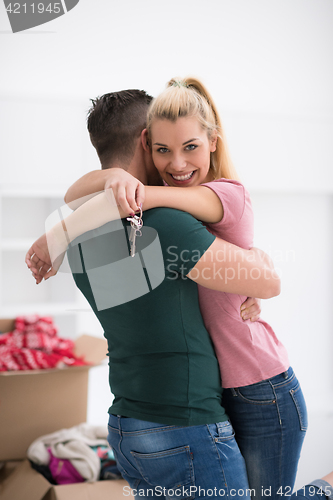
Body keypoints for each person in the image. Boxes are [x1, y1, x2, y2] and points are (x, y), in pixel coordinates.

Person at [25, 87, 332, 500]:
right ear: (145, 141)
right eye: (162, 146)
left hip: (127, 429)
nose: (175, 162)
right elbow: (266, 281)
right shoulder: (164, 224)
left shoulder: (75, 234)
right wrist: (255, 263)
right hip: (184, 427)